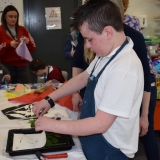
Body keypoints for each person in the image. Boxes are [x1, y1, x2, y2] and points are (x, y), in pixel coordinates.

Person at [33, 0, 144, 159]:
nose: (88, 46)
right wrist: (49, 99)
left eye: (89, 39)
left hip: (111, 152)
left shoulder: (124, 68)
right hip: (95, 144)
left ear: (108, 32)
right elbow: (82, 78)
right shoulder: (107, 54)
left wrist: (52, 125)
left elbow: (100, 124)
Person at [122, 0, 160, 160]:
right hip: (144, 79)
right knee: (144, 130)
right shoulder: (131, 20)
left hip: (142, 80)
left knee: (144, 128)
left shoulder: (123, 25)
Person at [0, 5, 36, 84]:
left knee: (25, 90)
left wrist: (28, 42)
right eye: (10, 16)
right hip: (6, 66)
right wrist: (9, 44)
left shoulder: (22, 29)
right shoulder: (0, 31)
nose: (13, 19)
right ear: (5, 17)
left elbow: (33, 47)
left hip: (22, 66)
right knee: (7, 91)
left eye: (15, 17)